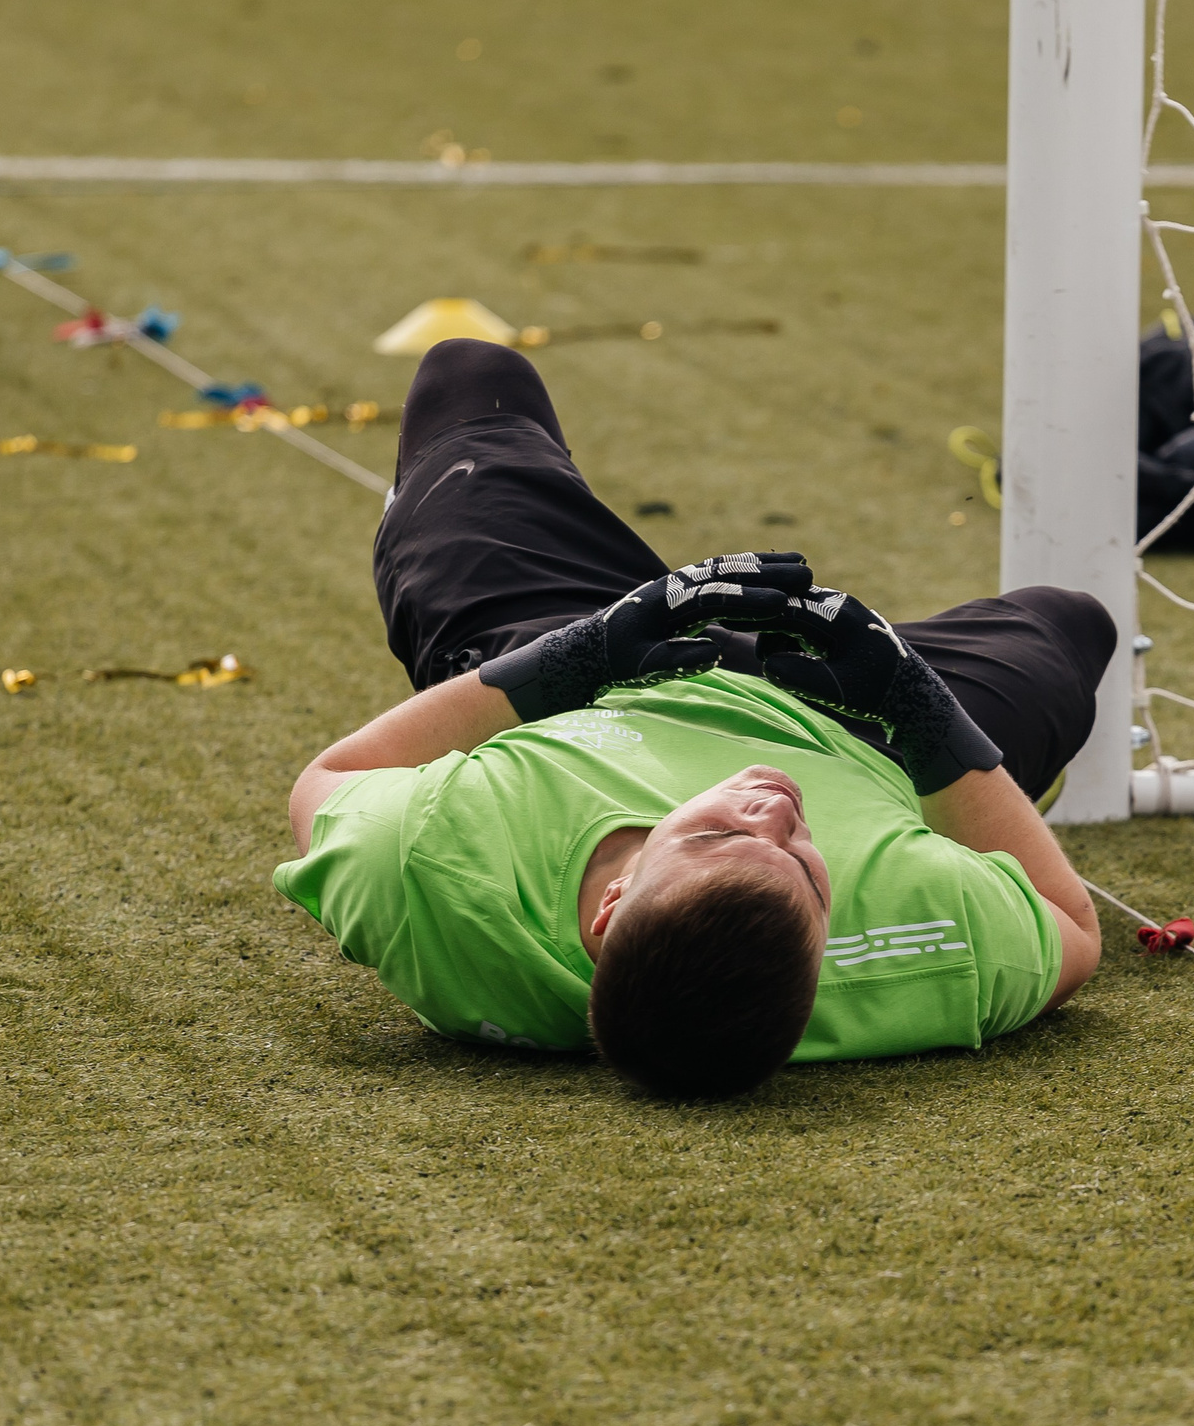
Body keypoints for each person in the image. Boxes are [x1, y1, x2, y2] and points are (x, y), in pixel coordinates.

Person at [279, 340, 1115, 1099]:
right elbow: (1073, 922)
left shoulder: (433, 868)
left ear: (610, 906)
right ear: (826, 953)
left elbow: (333, 779)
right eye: (811, 869)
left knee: (471, 378)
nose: (779, 811)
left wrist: (584, 653)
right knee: (1070, 625)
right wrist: (916, 709)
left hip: (587, 677)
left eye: (717, 837)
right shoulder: (919, 941)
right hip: (860, 733)